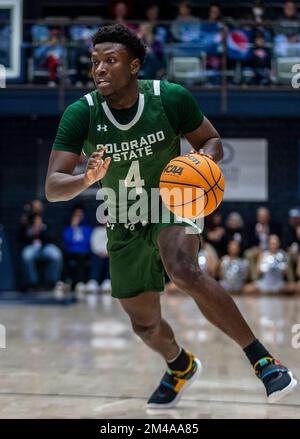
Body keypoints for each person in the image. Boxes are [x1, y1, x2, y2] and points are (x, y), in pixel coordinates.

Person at [45, 24, 297, 408]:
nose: (99, 69)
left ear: (135, 66)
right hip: (123, 214)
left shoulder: (170, 98)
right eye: (95, 62)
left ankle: (263, 360)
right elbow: (53, 186)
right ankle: (179, 364)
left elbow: (211, 142)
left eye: (110, 61)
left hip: (173, 199)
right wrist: (86, 178)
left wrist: (202, 161)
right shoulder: (81, 114)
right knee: (144, 324)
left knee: (183, 268)